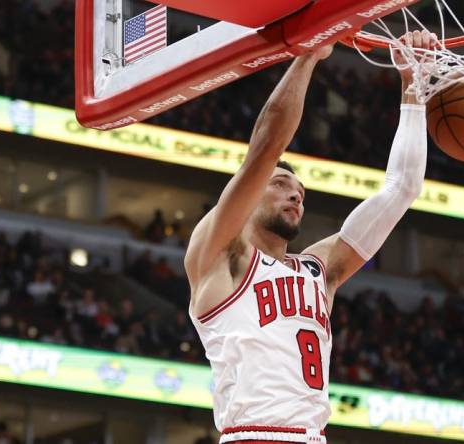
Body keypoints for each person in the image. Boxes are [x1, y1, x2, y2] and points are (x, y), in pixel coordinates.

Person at [185, 32, 435, 444]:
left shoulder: (318, 272)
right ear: (249, 191)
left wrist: (413, 84)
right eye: (282, 183)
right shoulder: (220, 255)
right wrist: (309, 55)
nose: (295, 194)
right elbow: (267, 147)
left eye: (300, 192)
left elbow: (403, 187)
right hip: (255, 436)